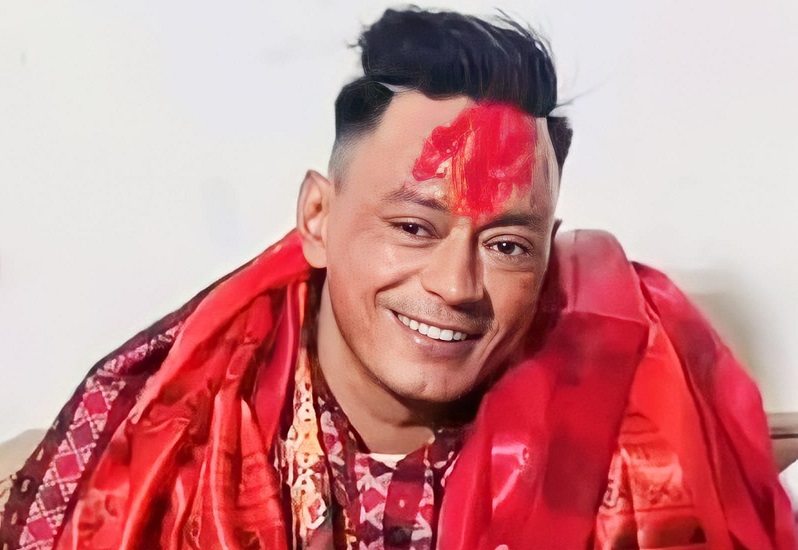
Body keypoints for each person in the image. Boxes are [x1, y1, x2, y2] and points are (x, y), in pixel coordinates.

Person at [0, 7, 793, 550]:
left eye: (507, 245)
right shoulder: (147, 460)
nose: (456, 284)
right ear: (317, 217)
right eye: (415, 227)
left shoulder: (641, 460)